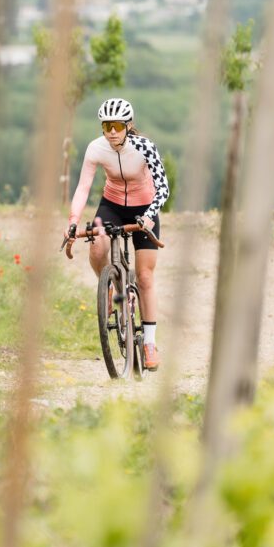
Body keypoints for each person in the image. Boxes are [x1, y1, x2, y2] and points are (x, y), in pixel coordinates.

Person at [65, 97, 170, 370]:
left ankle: (148, 343)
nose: (112, 131)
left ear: (128, 125)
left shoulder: (145, 147)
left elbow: (163, 188)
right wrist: (74, 220)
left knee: (145, 277)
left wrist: (149, 216)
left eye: (117, 126)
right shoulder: (96, 149)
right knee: (97, 243)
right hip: (111, 204)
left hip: (144, 208)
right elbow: (83, 188)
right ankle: (112, 287)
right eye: (107, 126)